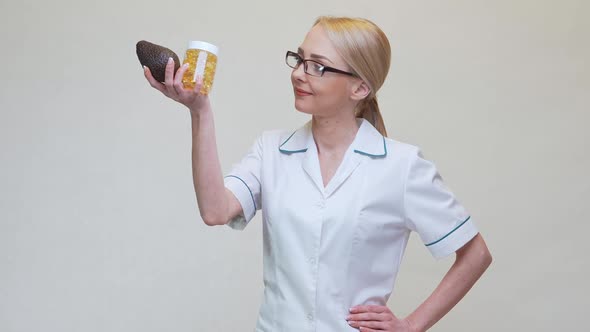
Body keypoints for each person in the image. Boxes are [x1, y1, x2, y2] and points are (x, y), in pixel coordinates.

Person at [143, 16, 492, 332]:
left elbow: (475, 254)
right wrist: (200, 112)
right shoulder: (271, 151)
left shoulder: (402, 167)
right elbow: (215, 211)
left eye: (318, 67)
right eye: (299, 59)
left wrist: (413, 325)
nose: (298, 73)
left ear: (360, 88)